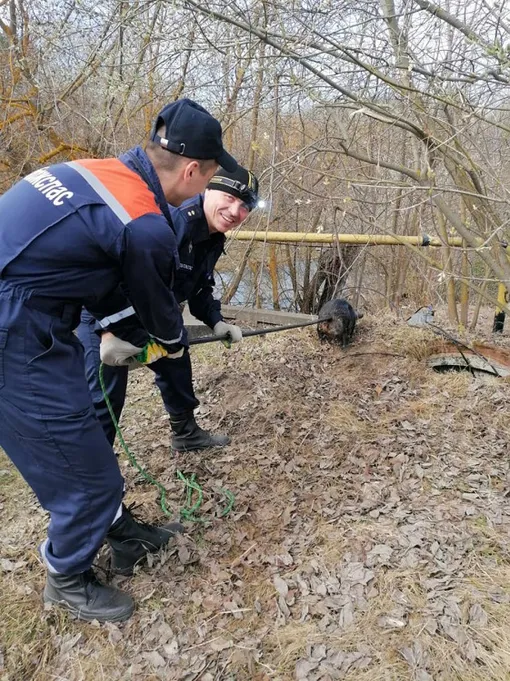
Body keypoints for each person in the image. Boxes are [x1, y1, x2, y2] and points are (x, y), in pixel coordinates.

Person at [0, 98, 237, 623]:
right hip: (12, 326)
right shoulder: (146, 223)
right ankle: (66, 578)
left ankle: (118, 532)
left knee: (86, 440)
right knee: (86, 475)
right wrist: (159, 340)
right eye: (210, 178)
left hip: (40, 313)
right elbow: (160, 318)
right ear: (194, 171)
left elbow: (93, 265)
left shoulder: (93, 171)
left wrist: (120, 329)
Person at [76, 164, 260, 452]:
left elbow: (199, 287)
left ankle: (185, 433)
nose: (235, 211)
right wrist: (108, 330)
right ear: (208, 189)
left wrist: (216, 321)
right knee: (105, 400)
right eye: (229, 198)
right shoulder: (174, 221)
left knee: (177, 364)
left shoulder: (212, 237)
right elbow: (112, 273)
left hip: (155, 313)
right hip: (108, 311)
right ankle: (91, 482)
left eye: (244, 206)